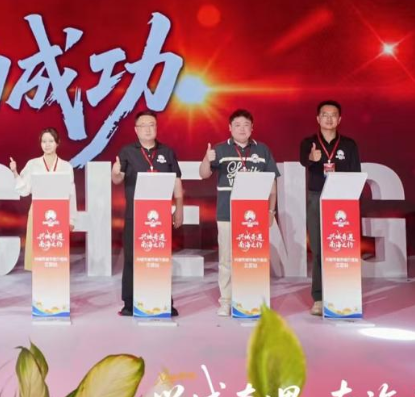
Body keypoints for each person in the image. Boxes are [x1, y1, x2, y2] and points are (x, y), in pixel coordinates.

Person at [199, 108, 280, 317]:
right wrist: (207, 159)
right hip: (227, 213)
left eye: (246, 125)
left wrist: (271, 210)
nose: (242, 129)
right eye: (237, 125)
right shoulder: (220, 149)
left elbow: (272, 183)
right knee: (226, 259)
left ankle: (254, 298)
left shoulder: (262, 150)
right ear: (230, 128)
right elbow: (203, 174)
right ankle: (226, 301)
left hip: (255, 216)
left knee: (254, 258)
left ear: (252, 128)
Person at [111, 110, 184, 317]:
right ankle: (129, 302)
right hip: (135, 214)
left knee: (160, 257)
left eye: (151, 124)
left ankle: (163, 301)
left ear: (156, 127)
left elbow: (176, 181)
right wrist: (115, 172)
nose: (148, 129)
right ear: (136, 130)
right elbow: (117, 179)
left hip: (160, 216)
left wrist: (179, 209)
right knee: (131, 257)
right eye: (143, 125)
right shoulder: (127, 152)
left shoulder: (167, 152)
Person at [300, 100, 362, 316]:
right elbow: (303, 160)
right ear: (318, 118)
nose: (328, 119)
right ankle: (319, 298)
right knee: (318, 249)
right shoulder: (309, 142)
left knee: (341, 247)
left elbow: (356, 173)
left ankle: (343, 293)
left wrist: (352, 200)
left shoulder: (349, 145)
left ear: (339, 119)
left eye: (333, 115)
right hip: (317, 197)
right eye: (324, 115)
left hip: (342, 200)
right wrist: (312, 158)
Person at [8, 128, 76, 271]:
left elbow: (71, 194)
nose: (47, 144)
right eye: (44, 141)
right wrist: (14, 172)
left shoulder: (66, 166)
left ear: (58, 143)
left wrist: (71, 219)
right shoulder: (32, 164)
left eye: (51, 141)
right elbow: (24, 190)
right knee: (39, 252)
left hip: (59, 212)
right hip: (37, 211)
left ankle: (55, 279)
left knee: (55, 254)